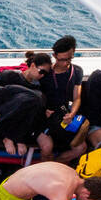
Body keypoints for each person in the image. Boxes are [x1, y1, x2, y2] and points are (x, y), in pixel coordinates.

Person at [36, 35, 87, 164]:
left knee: (81, 148)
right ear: (54, 56)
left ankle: (55, 166)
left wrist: (72, 114)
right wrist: (44, 110)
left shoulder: (77, 71)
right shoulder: (45, 73)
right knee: (47, 148)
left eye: (70, 59)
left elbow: (77, 98)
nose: (66, 63)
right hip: (45, 117)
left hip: (64, 115)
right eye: (62, 59)